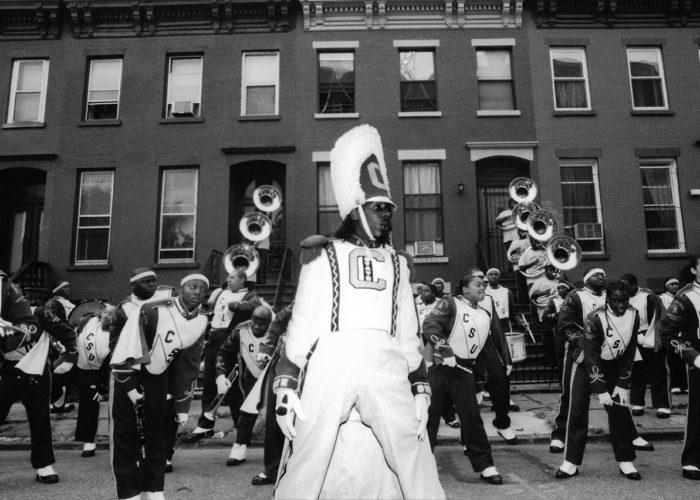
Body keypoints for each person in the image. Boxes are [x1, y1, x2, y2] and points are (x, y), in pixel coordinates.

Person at [273, 125, 444, 499]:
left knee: (413, 454)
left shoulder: (399, 264)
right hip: (332, 361)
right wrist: (286, 387)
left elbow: (407, 333)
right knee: (309, 455)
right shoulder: (321, 255)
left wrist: (419, 384)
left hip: (384, 361)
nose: (386, 215)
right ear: (356, 209)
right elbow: (301, 327)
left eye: (388, 209)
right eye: (378, 207)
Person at [109, 273, 210, 500]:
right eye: (192, 287)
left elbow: (189, 363)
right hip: (132, 375)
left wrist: (182, 404)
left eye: (203, 289)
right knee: (127, 438)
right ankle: (129, 494)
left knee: (157, 436)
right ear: (180, 289)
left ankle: (155, 490)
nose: (197, 292)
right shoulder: (153, 310)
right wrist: (132, 389)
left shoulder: (201, 321)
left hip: (159, 379)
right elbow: (127, 346)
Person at [549, 268, 653, 454]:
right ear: (586, 279)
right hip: (581, 354)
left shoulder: (613, 296)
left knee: (617, 399)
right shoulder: (576, 296)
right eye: (596, 274)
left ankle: (630, 434)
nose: (601, 277)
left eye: (603, 274)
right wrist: (587, 343)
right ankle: (559, 435)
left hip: (609, 356)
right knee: (571, 397)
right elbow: (564, 326)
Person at [423, 273, 505, 484]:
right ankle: (420, 466)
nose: (483, 287)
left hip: (464, 371)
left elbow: (483, 350)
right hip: (441, 366)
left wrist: (481, 381)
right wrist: (445, 350)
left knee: (472, 419)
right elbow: (430, 325)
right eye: (478, 284)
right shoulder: (451, 302)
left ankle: (485, 465)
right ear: (465, 289)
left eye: (484, 285)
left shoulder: (485, 314)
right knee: (429, 417)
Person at [555, 281, 642, 480]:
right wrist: (601, 389)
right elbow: (591, 355)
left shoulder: (634, 314)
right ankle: (570, 462)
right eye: (616, 301)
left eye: (625, 301)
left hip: (614, 363)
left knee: (619, 410)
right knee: (577, 410)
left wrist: (622, 382)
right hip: (586, 363)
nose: (621, 305)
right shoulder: (594, 318)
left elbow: (629, 351)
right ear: (607, 299)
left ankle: (626, 460)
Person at [0, 270, 77, 484]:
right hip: (7, 373)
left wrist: (70, 356)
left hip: (35, 372)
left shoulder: (39, 313)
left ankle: (44, 465)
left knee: (40, 420)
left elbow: (67, 332)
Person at [188, 269, 263, 440]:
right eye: (228, 277)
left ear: (243, 280)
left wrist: (233, 305)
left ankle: (242, 428)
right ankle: (205, 425)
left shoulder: (250, 295)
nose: (228, 280)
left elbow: (255, 306)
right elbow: (210, 308)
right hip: (214, 338)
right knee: (209, 382)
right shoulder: (221, 292)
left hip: (231, 341)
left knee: (234, 385)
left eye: (233, 277)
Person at [657, 255, 700, 480]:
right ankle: (692, 460)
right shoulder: (685, 297)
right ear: (694, 270)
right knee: (697, 411)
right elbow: (667, 332)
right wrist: (692, 355)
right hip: (699, 357)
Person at [215, 305, 273, 466]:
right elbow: (223, 353)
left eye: (262, 323)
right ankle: (239, 448)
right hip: (253, 375)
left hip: (273, 376)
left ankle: (281, 451)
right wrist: (220, 376)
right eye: (255, 321)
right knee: (247, 410)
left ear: (269, 323)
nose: (257, 326)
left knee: (277, 414)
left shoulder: (278, 333)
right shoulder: (240, 331)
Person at [250, 302, 294, 486]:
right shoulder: (303, 297)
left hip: (322, 361)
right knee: (277, 415)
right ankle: (273, 469)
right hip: (286, 360)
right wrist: (267, 349)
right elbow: (278, 322)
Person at [620, 273, 671, 419]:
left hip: (650, 337)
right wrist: (635, 336)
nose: (624, 289)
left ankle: (662, 405)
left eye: (626, 285)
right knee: (636, 371)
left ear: (634, 284)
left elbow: (659, 317)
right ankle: (637, 403)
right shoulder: (621, 299)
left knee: (658, 372)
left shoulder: (648, 297)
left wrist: (647, 336)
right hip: (632, 338)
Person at [74, 308, 112, 458]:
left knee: (115, 406)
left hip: (107, 369)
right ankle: (88, 441)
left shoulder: (113, 336)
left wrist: (102, 387)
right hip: (85, 368)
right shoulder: (88, 321)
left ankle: (118, 440)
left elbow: (109, 362)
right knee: (87, 404)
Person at [660, 277, 687, 394]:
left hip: (682, 331)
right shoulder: (662, 298)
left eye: (677, 284)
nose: (675, 286)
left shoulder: (683, 297)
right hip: (670, 332)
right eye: (672, 284)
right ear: (667, 286)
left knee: (684, 357)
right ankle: (675, 384)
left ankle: (684, 384)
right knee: (672, 359)